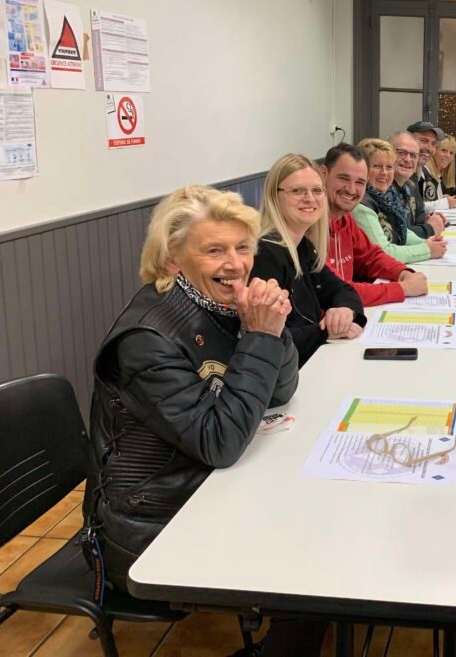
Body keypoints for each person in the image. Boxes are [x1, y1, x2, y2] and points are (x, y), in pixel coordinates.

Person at [84, 185, 303, 623]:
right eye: (214, 250)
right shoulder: (146, 340)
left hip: (204, 491)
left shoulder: (219, 303)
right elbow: (219, 442)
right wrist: (261, 336)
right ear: (172, 259)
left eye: (243, 247)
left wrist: (270, 328)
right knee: (301, 550)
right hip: (149, 528)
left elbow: (280, 391)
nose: (236, 264)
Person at [251, 154, 366, 366]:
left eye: (317, 190)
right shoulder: (264, 254)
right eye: (297, 191)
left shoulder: (303, 246)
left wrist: (345, 311)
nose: (310, 198)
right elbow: (271, 337)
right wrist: (326, 331)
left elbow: (342, 290)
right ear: (274, 196)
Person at [321, 142, 428, 305]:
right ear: (324, 175)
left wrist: (403, 272)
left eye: (359, 182)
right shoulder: (310, 226)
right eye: (343, 178)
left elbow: (371, 256)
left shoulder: (344, 218)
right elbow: (336, 291)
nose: (351, 189)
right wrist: (403, 288)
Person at [354, 138, 447, 265]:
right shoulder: (360, 205)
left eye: (389, 167)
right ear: (362, 170)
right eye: (377, 166)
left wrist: (428, 243)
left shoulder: (388, 196)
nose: (384, 173)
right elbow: (383, 252)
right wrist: (427, 249)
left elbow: (401, 231)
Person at [391, 130, 446, 238]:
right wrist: (430, 228)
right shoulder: (382, 189)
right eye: (401, 153)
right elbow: (397, 234)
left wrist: (429, 221)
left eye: (413, 155)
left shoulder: (411, 185)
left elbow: (418, 219)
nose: (408, 159)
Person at [408, 120, 456, 212]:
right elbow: (411, 208)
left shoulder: (420, 173)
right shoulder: (403, 172)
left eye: (433, 144)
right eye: (423, 141)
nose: (429, 148)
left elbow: (416, 207)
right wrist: (444, 203)